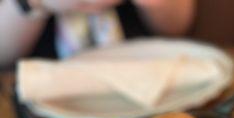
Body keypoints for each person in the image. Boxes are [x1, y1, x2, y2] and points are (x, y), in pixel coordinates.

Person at [0, 0, 196, 67]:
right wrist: (35, 3)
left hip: (144, 75)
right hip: (44, 92)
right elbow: (3, 53)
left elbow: (176, 26)